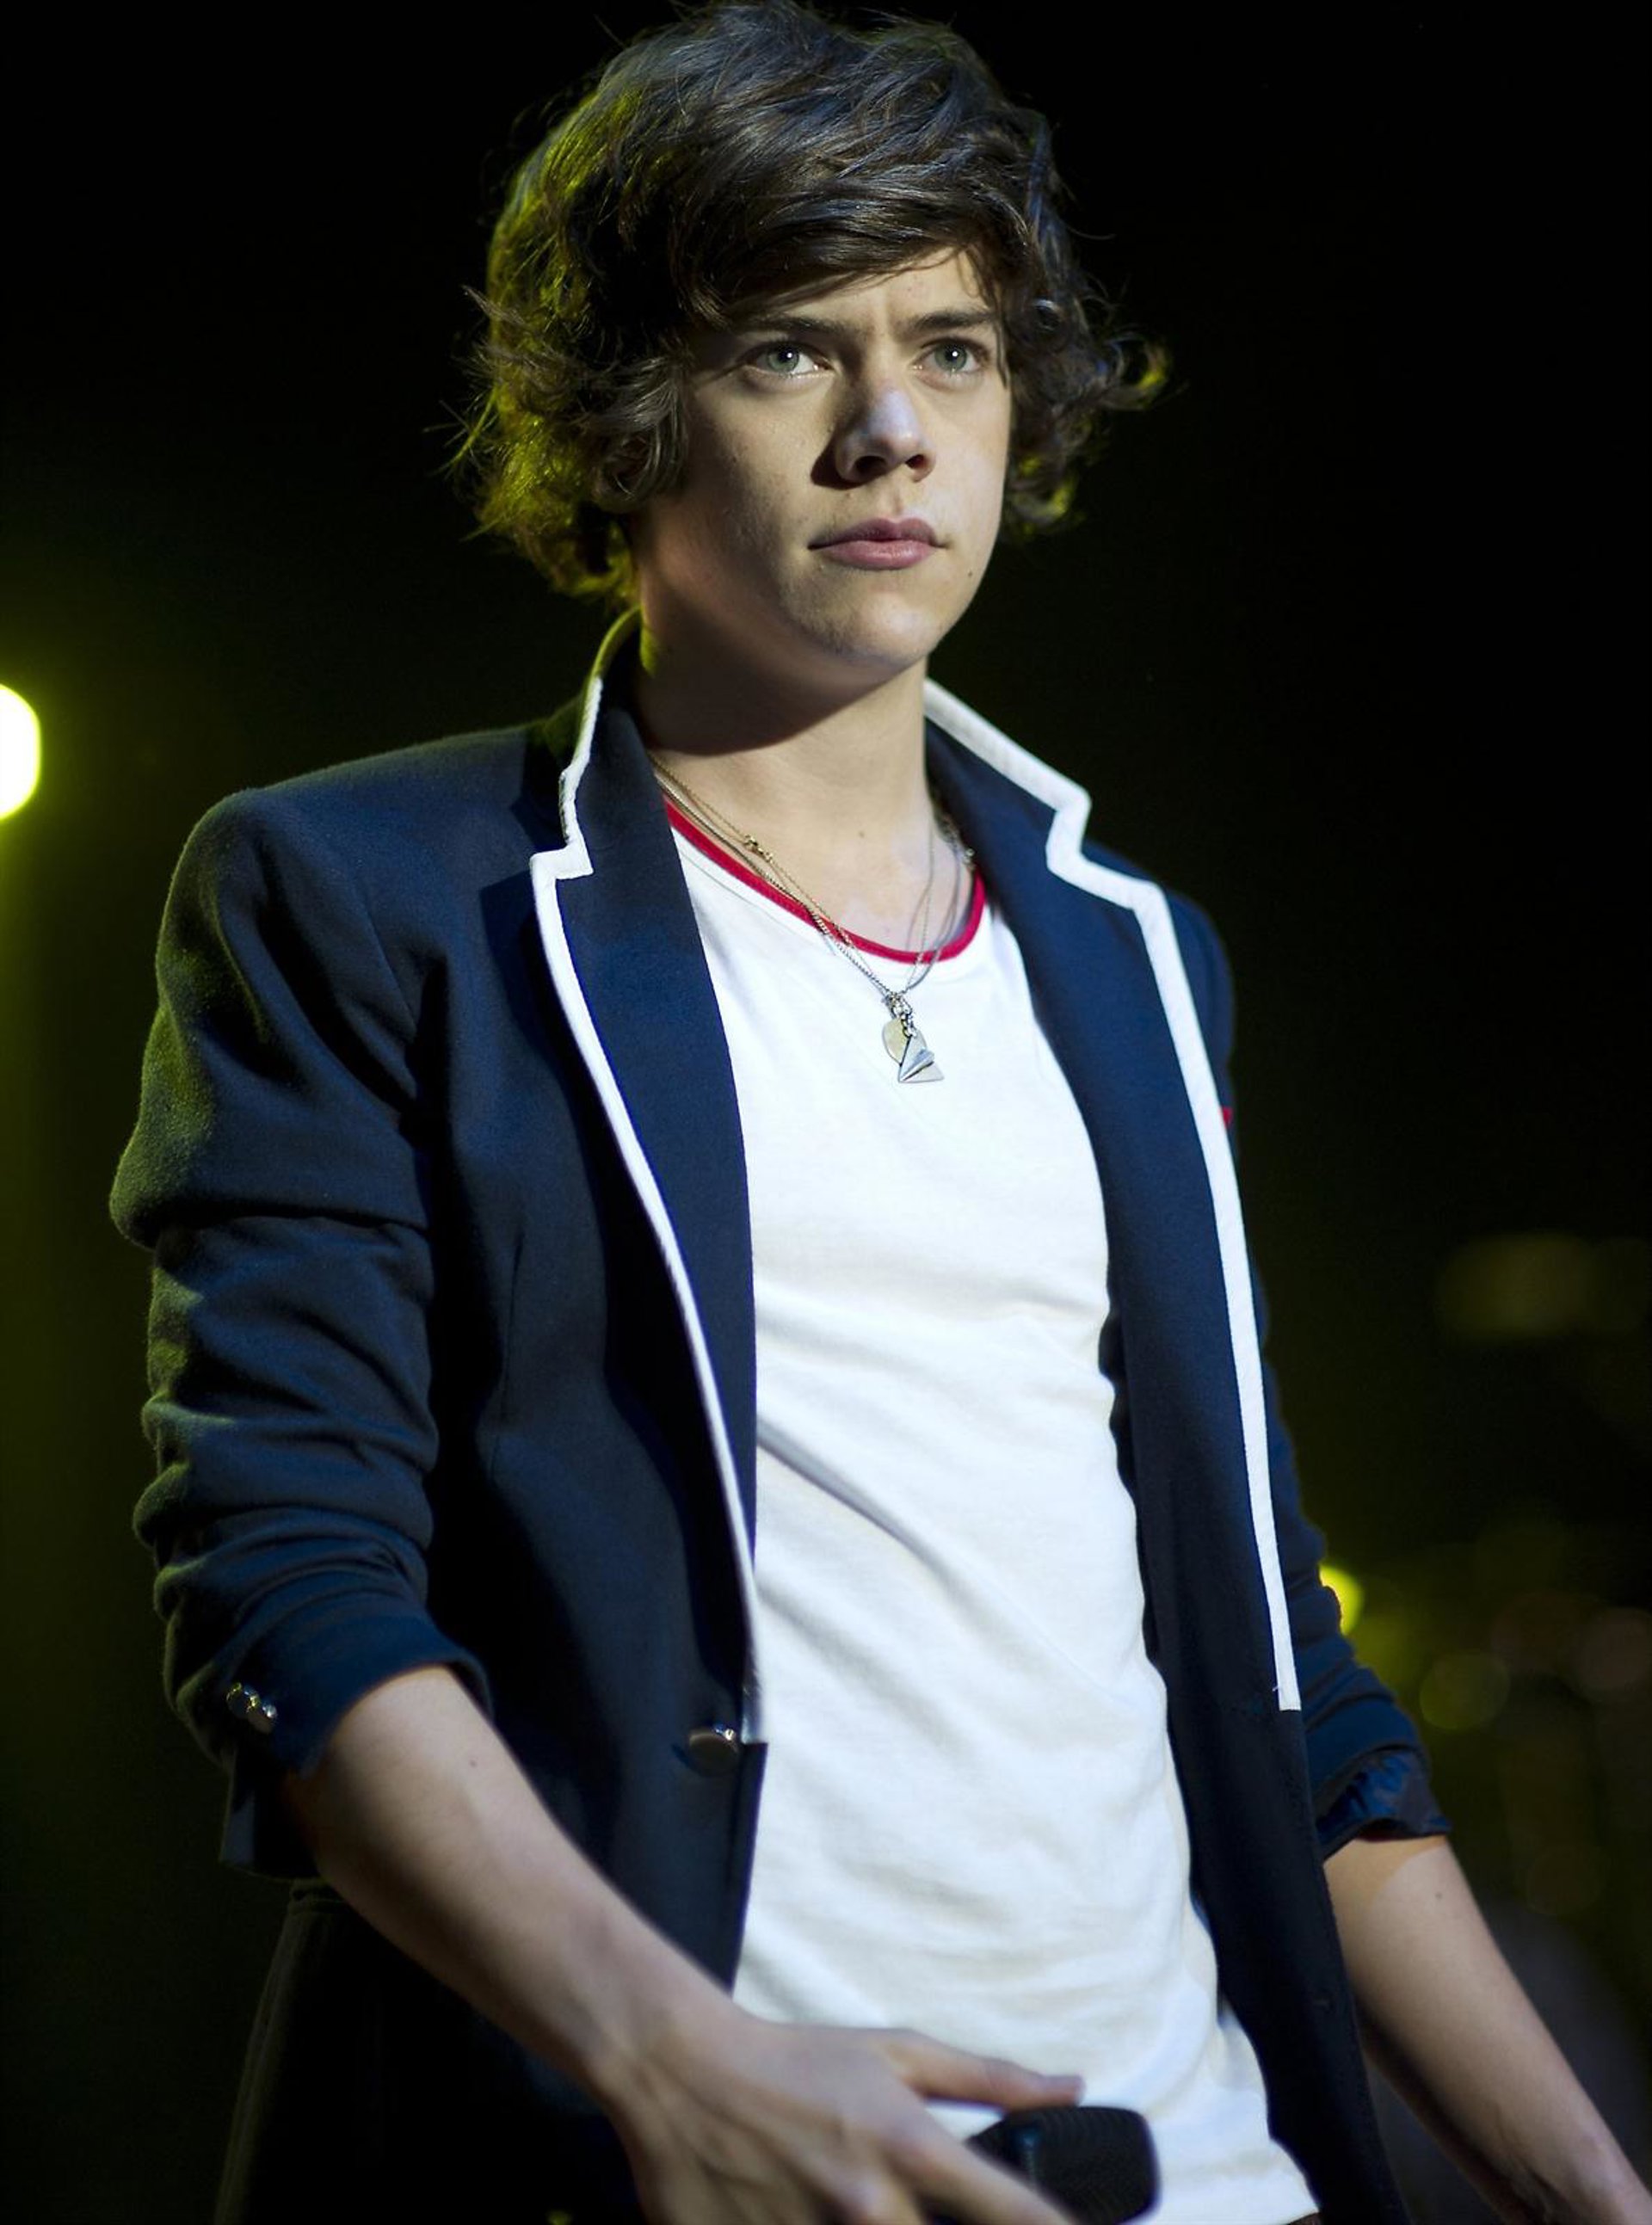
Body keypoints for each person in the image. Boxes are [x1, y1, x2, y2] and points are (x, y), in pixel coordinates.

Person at [109, 5, 1651, 2222]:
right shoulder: (371, 896)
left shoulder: (1136, 956)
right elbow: (289, 1585)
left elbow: (1286, 1691)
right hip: (714, 2163)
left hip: (1208, 2166)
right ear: (627, 414)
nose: (890, 431)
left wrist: (1596, 2190)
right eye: (786, 351)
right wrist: (674, 2065)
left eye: (953, 347)